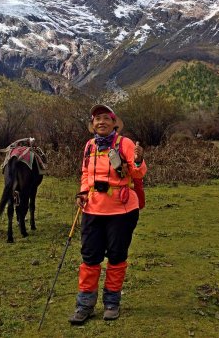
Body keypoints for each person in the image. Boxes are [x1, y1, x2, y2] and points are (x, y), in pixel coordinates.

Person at [69, 104, 147, 324]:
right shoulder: (89, 146)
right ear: (92, 125)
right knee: (89, 258)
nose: (100, 122)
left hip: (121, 210)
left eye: (105, 118)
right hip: (92, 208)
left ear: (114, 123)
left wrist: (139, 160)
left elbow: (139, 172)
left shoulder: (125, 144)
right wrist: (83, 192)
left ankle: (112, 303)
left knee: (116, 256)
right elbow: (86, 173)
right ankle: (84, 305)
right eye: (96, 119)